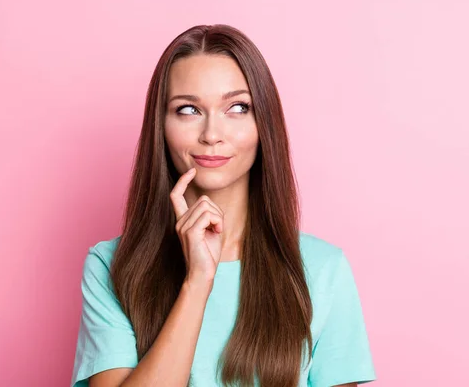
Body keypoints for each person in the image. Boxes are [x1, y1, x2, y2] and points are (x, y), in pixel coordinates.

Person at [71, 24, 376, 387]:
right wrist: (198, 282)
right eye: (188, 109)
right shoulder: (112, 266)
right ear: (161, 125)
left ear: (264, 123)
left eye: (237, 107)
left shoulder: (323, 270)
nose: (212, 134)